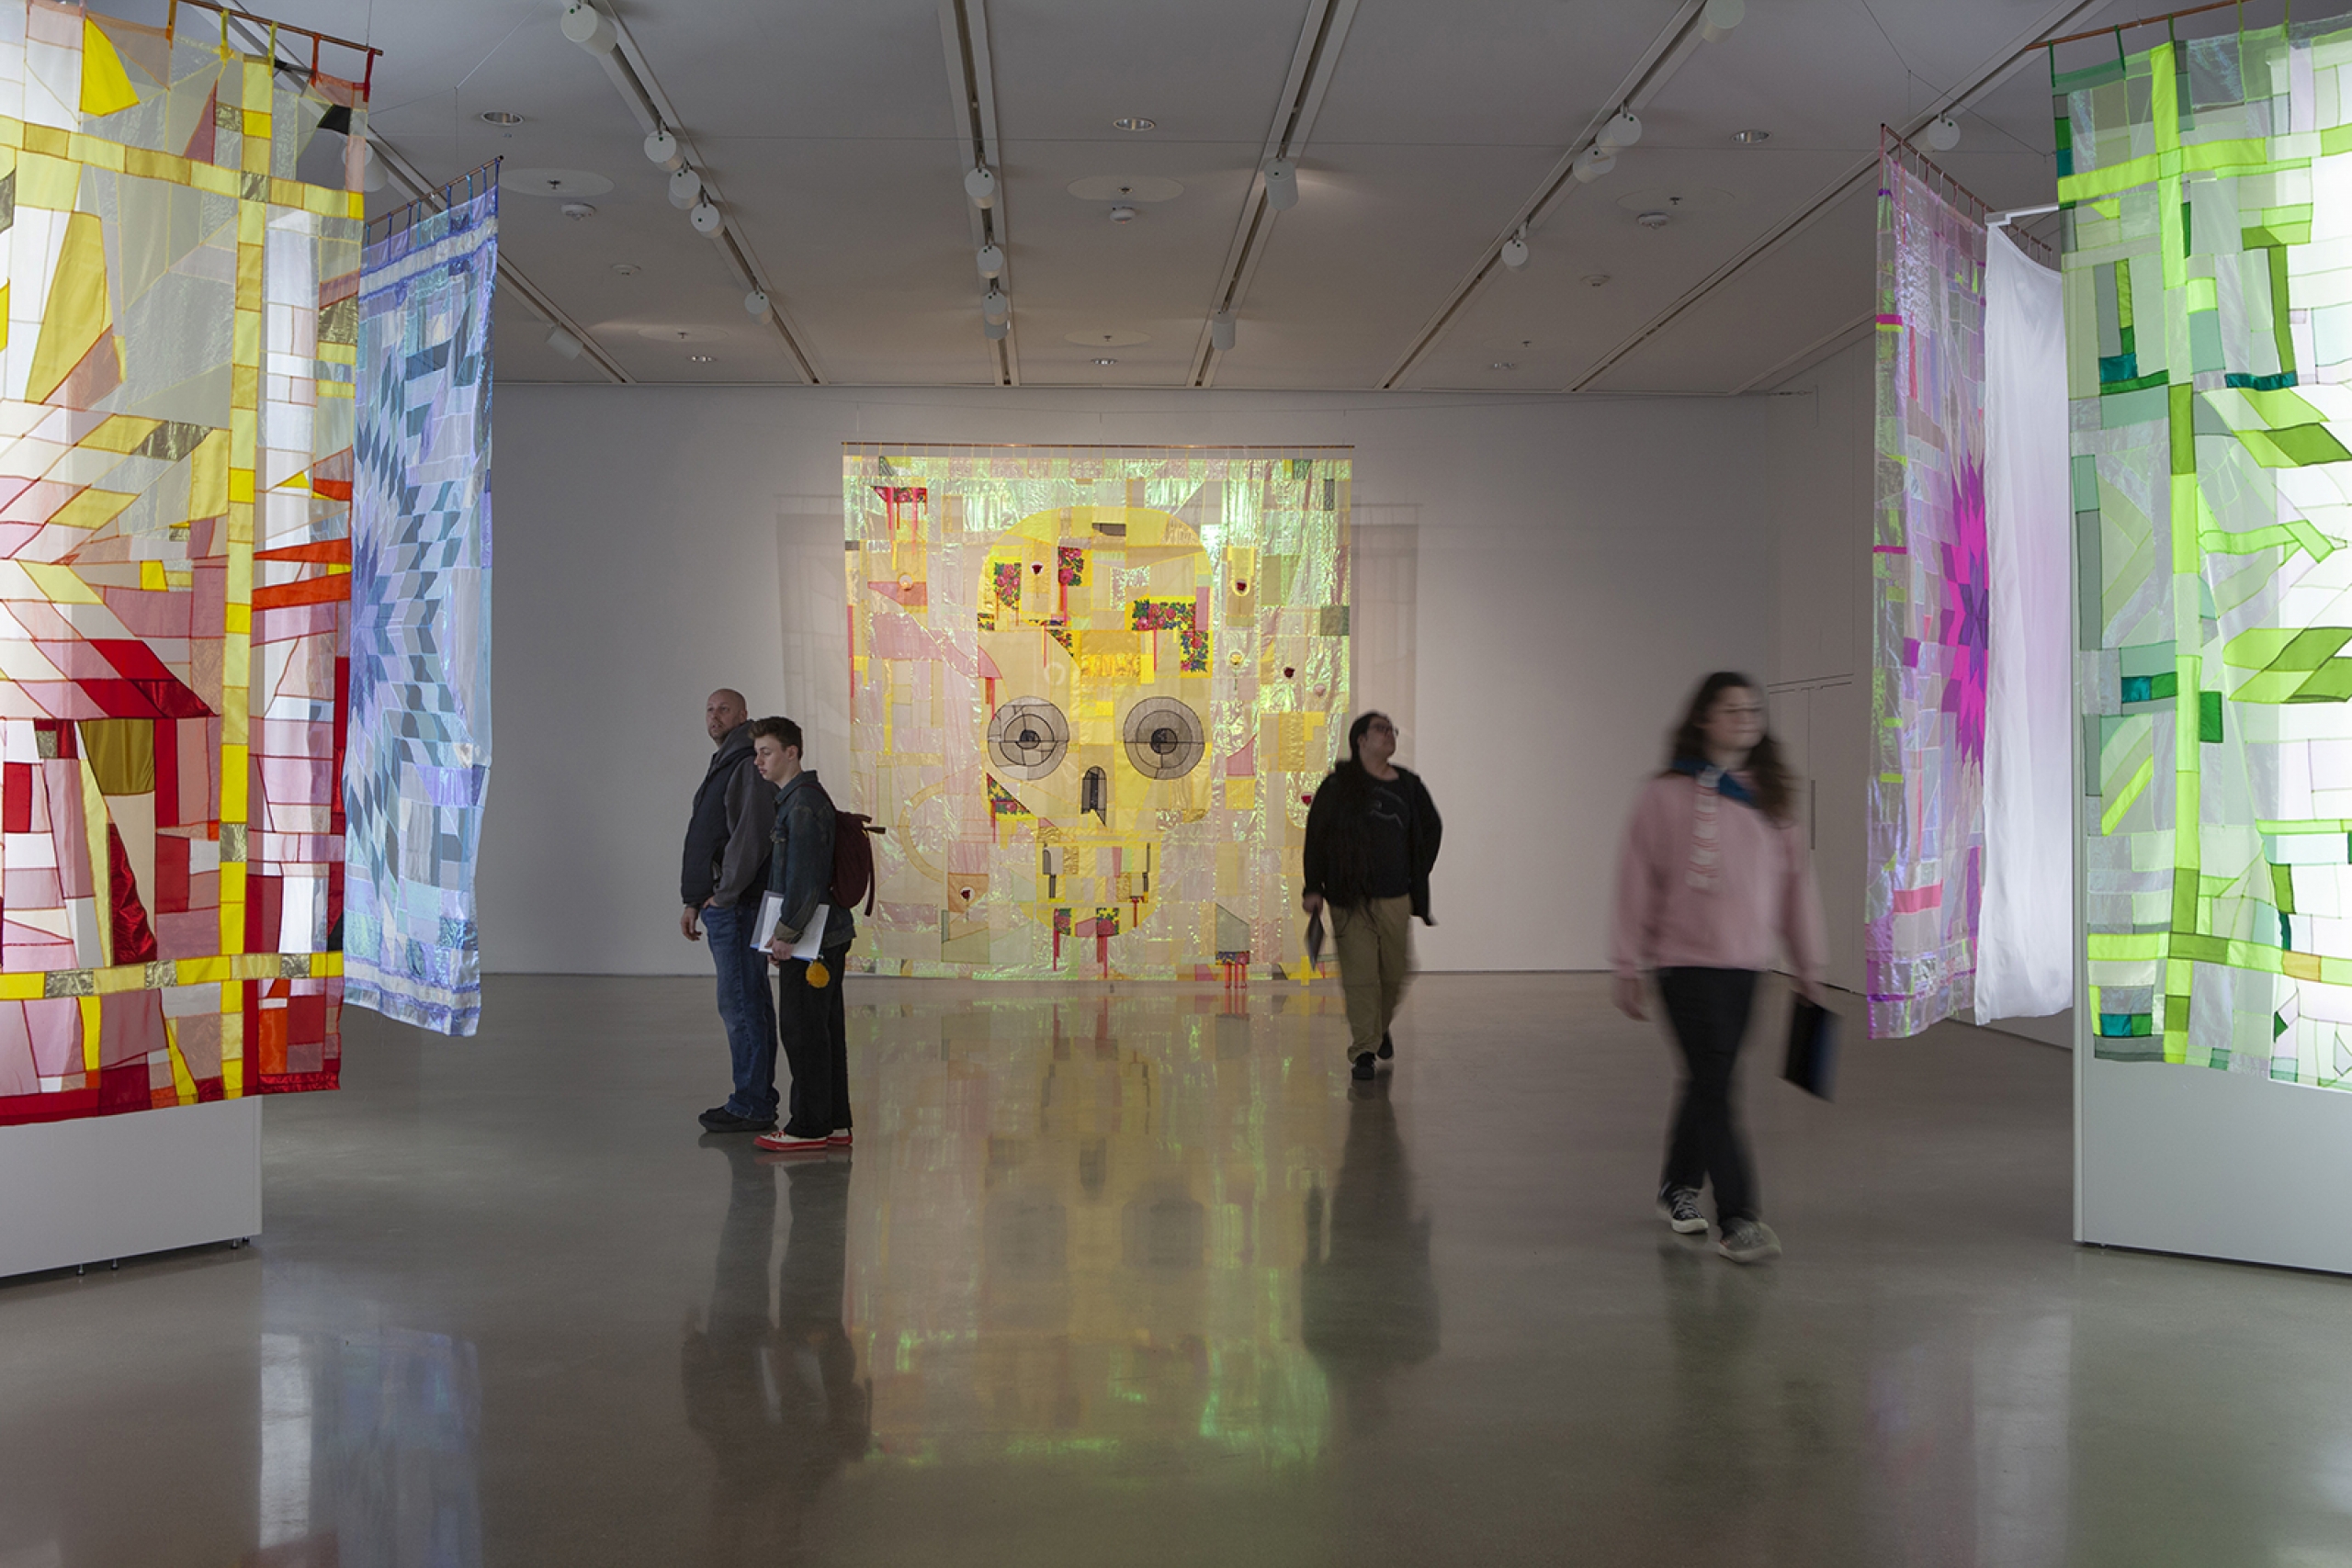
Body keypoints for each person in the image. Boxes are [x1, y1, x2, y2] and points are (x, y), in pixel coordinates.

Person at [1611, 671, 1826, 1265]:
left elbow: (1795, 890)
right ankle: (1738, 1215)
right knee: (1714, 1083)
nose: (1745, 717)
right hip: (1682, 966)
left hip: (1747, 968)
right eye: (1731, 709)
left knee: (1708, 1082)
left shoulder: (1773, 799)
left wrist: (1809, 966)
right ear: (1704, 718)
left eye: (1752, 709)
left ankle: (1677, 1186)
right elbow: (1635, 879)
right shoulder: (1662, 794)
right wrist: (1626, 962)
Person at [1302, 711, 1442, 1082]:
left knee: (1395, 972)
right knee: (1360, 975)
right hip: (1349, 896)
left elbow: (1431, 828)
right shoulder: (1338, 786)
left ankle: (1378, 1027)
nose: (1390, 735)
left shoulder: (1409, 786)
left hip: (1396, 894)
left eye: (1392, 730)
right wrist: (1313, 888)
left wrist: (1417, 870)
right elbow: (1316, 837)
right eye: (1381, 729)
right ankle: (1364, 1049)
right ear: (1360, 740)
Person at [748, 716, 858, 1155]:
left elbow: (806, 879)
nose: (758, 761)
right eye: (757, 752)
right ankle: (833, 1123)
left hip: (812, 940)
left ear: (792, 752)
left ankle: (809, 1127)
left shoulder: (803, 805)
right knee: (823, 1029)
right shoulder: (797, 801)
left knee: (802, 1030)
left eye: (766, 752)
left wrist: (786, 934)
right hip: (823, 937)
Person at [684, 689, 782, 1134]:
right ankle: (755, 1097)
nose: (714, 716)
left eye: (724, 709)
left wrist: (723, 895)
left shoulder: (744, 761)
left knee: (743, 1005)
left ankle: (751, 1104)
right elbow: (713, 835)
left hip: (738, 906)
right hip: (725, 904)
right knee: (747, 1002)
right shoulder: (728, 759)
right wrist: (693, 898)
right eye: (709, 709)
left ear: (744, 715)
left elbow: (750, 838)